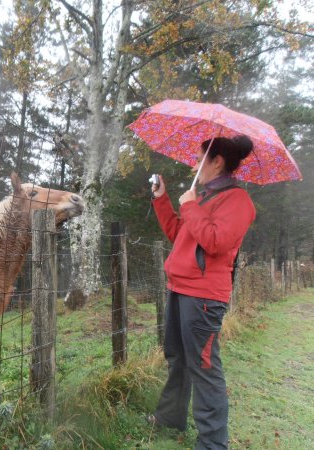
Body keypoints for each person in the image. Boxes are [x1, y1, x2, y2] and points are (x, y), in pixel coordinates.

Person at [148, 135, 256, 450]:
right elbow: (179, 234)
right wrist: (163, 199)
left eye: (199, 159)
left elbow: (215, 241)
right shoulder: (205, 195)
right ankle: (170, 417)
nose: (195, 165)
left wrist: (191, 206)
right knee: (178, 357)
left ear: (216, 160)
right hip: (180, 288)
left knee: (205, 366)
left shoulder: (237, 201)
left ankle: (212, 443)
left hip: (204, 296)